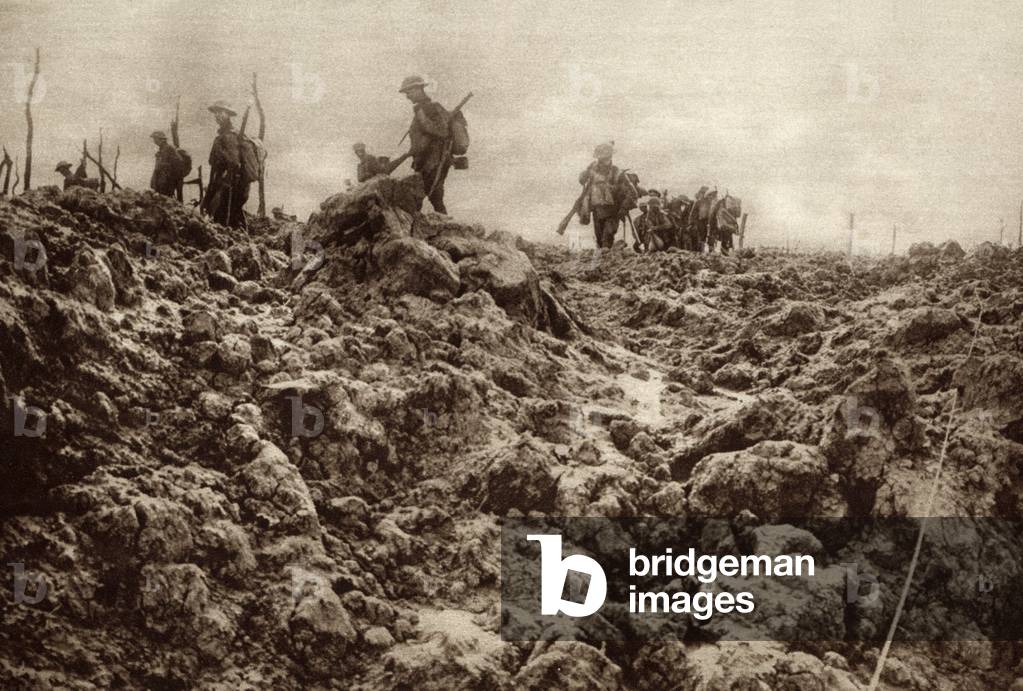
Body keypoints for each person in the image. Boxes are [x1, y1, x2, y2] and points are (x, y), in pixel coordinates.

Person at [399, 75, 451, 213]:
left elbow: (442, 131)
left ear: (418, 89)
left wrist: (421, 117)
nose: (407, 96)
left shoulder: (429, 108)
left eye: (408, 92)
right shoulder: (422, 108)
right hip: (423, 161)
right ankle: (439, 223)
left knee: (422, 197)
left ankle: (420, 224)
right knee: (432, 198)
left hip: (433, 162)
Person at [201, 100, 249, 229]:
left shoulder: (229, 136)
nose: (217, 115)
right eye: (215, 112)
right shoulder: (223, 135)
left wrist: (224, 181)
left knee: (222, 221)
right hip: (226, 185)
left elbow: (234, 163)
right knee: (229, 220)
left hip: (229, 187)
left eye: (220, 112)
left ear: (228, 114)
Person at [578, 142, 629, 249]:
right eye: (600, 159)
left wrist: (623, 208)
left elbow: (627, 192)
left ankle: (607, 253)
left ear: (610, 157)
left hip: (613, 210)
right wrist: (586, 172)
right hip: (597, 209)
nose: (602, 161)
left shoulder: (616, 172)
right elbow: (582, 180)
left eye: (605, 158)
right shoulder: (592, 170)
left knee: (608, 235)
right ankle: (604, 256)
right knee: (599, 237)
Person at [149, 130, 184, 197]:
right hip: (165, 179)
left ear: (162, 140)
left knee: (166, 196)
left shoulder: (168, 148)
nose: (154, 141)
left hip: (168, 179)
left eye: (155, 139)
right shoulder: (162, 149)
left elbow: (175, 164)